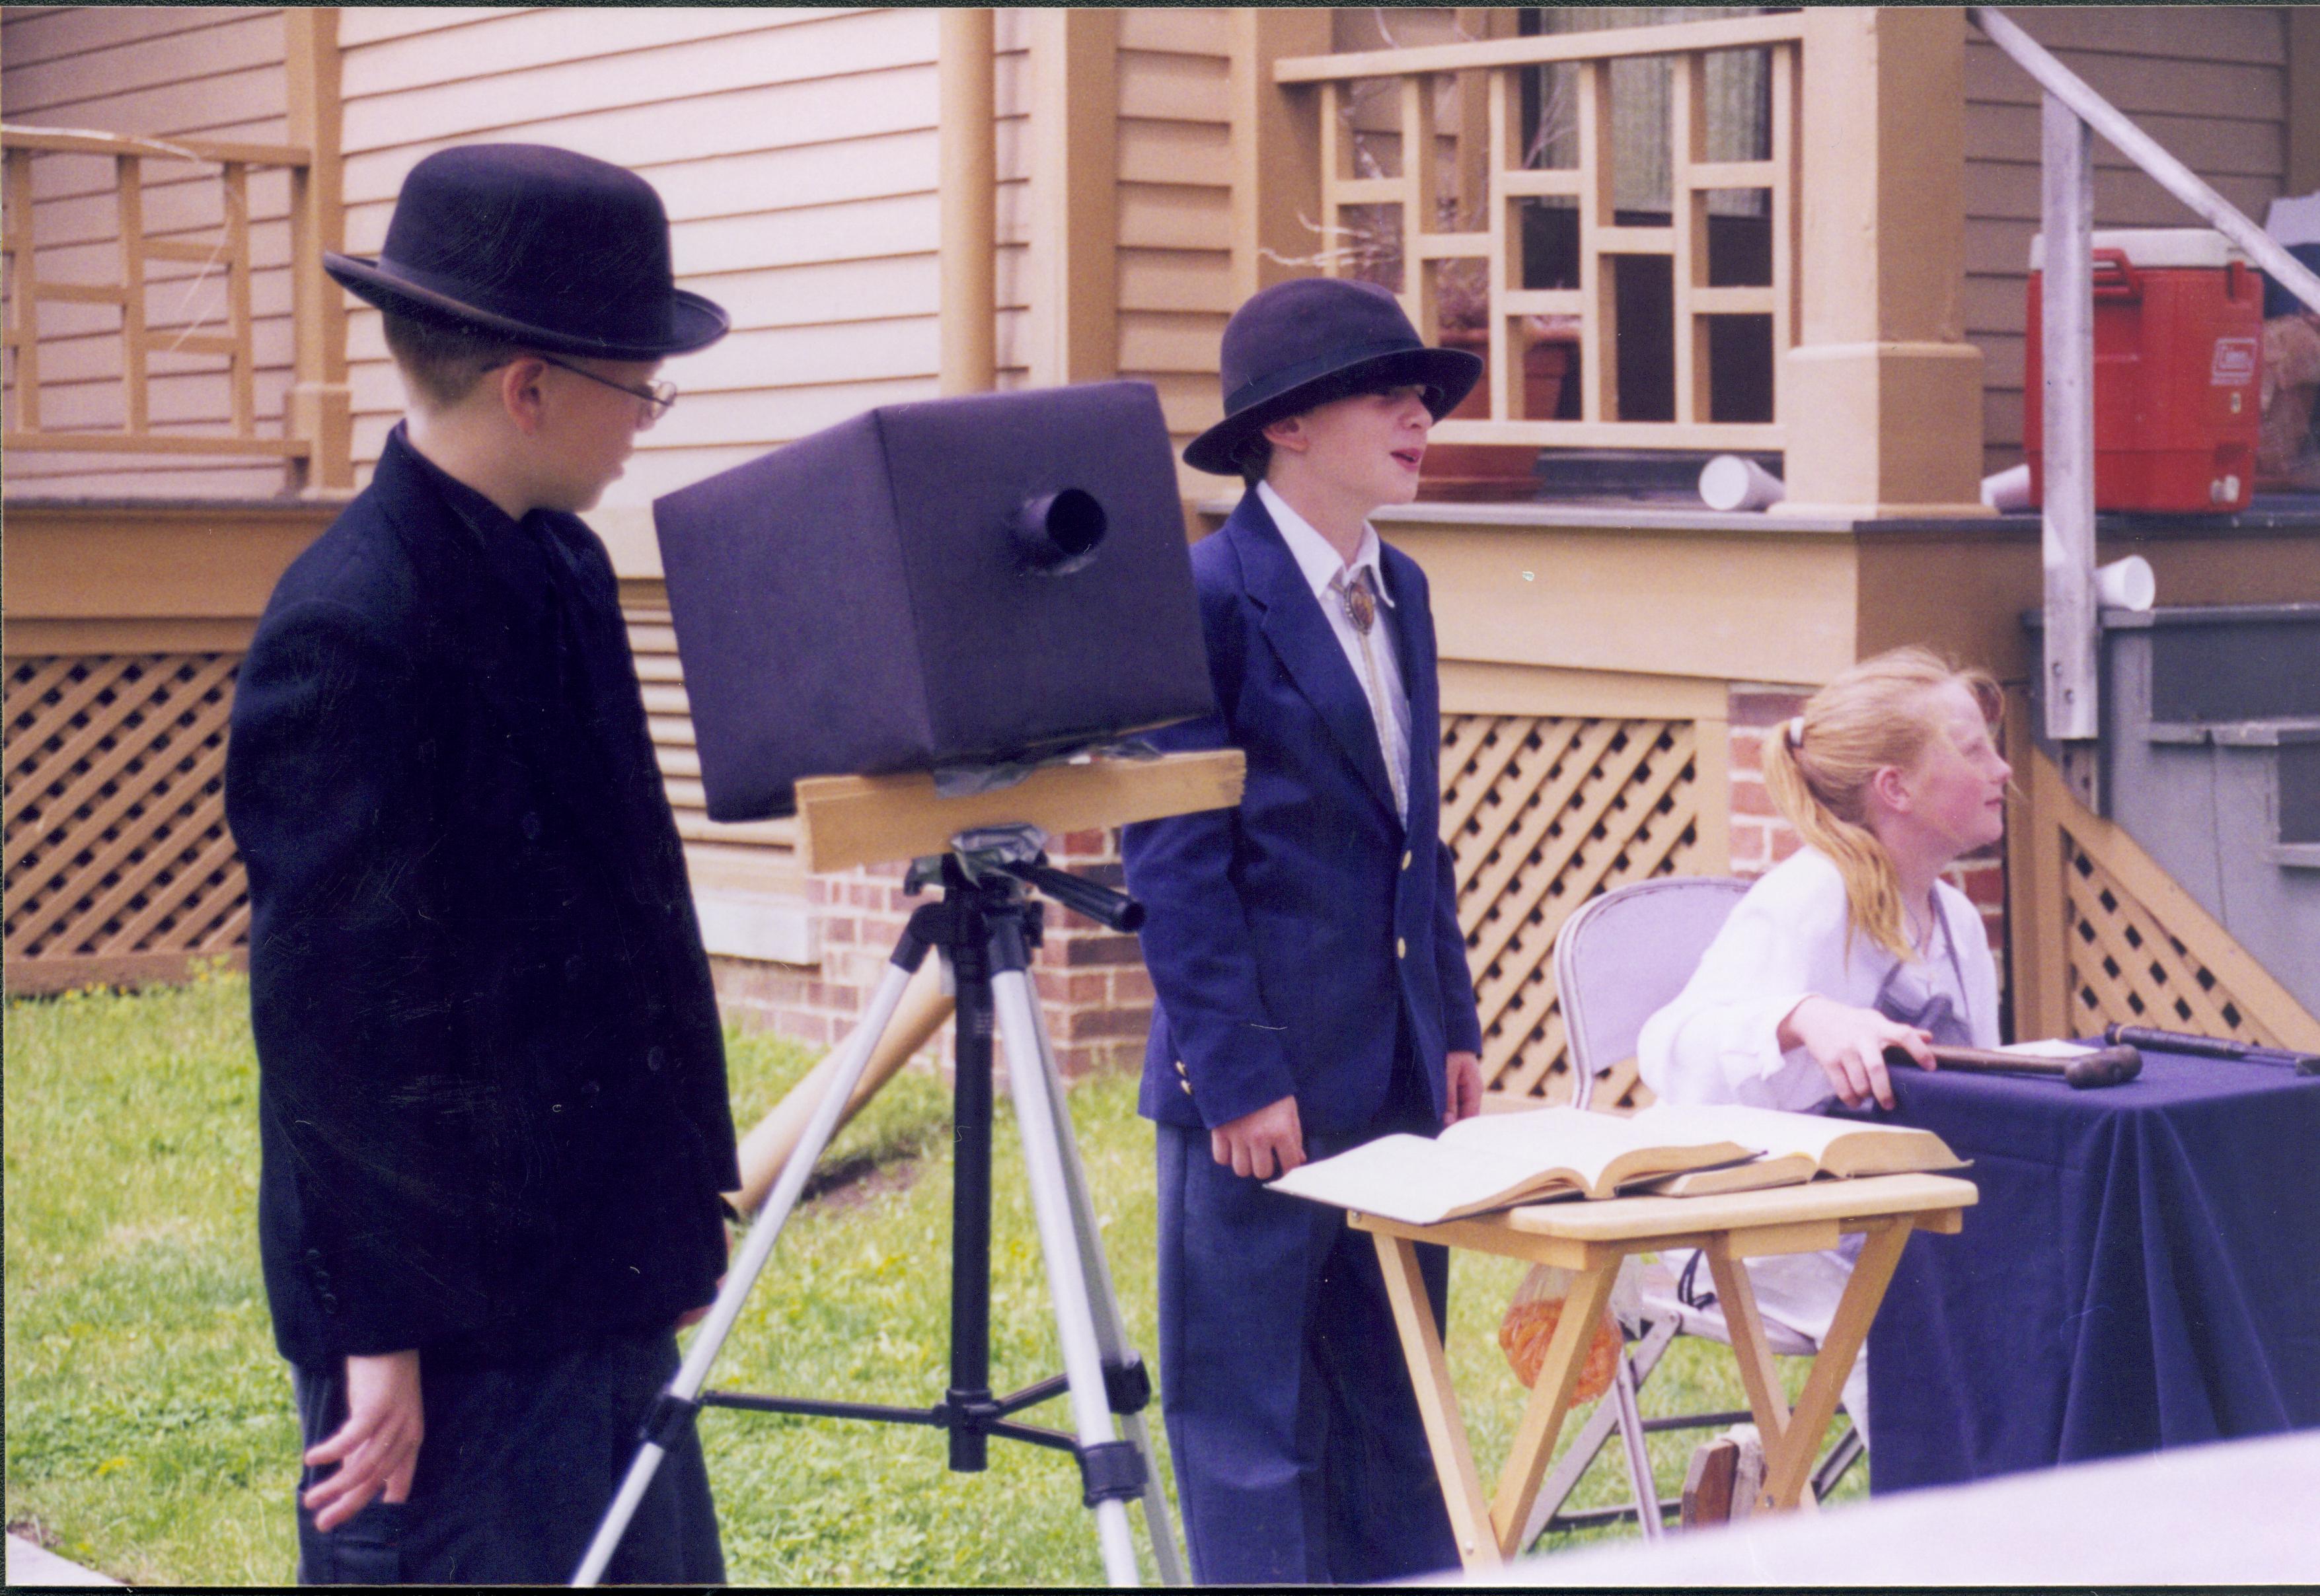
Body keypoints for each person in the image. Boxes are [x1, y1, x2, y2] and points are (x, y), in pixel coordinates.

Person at [225, 144, 737, 1585]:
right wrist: (373, 1340)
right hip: (445, 1310)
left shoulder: (561, 568)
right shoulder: (352, 623)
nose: (646, 424)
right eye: (638, 389)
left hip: (595, 1256)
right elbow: (332, 1025)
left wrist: (683, 1184)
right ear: (529, 386)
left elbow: (636, 899)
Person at [1121, 276, 1486, 1584]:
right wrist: (1235, 1070)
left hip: (1393, 1065)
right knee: (1251, 1414)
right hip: (1260, 1082)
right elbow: (1175, 855)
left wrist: (1447, 1021)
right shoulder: (1208, 592)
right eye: (1382, 390)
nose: (1417, 411)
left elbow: (1413, 834)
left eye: (1426, 394)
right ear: (1284, 426)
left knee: (1397, 1401)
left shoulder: (1407, 589)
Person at [1635, 645, 2012, 1445]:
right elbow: (1665, 1047)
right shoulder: (1810, 898)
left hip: (1885, 1215)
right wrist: (1801, 1015)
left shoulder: (1956, 921)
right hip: (1750, 1226)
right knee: (1919, 1326)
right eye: (1975, 750)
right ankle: (1944, 1539)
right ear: (1895, 788)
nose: (2003, 769)